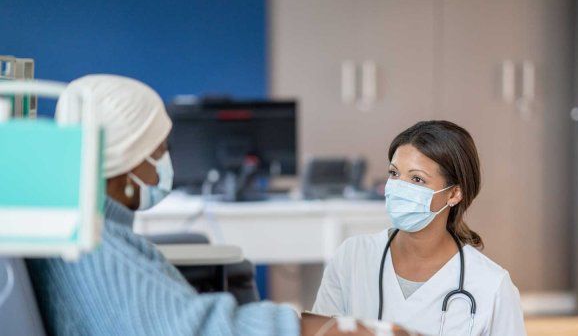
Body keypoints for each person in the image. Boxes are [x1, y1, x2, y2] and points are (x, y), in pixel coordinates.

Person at [26, 74, 374, 336]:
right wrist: (336, 329)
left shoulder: (91, 227)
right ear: (126, 164)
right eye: (160, 151)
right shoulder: (97, 250)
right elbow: (198, 328)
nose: (166, 163)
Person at [312, 121, 526, 335]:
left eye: (417, 179)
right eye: (394, 173)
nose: (399, 187)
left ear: (454, 194)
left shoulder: (492, 285)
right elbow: (319, 331)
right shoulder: (352, 256)